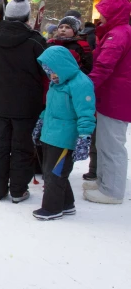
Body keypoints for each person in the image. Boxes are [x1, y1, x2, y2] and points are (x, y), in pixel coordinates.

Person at [0, 0, 46, 203]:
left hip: (0, 101)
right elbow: (46, 70)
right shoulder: (35, 41)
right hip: (27, 104)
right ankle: (18, 190)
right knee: (22, 146)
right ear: (27, 17)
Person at [31, 46, 95, 220]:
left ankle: (52, 208)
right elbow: (50, 107)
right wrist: (41, 121)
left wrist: (84, 136)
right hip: (50, 135)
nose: (51, 76)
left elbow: (86, 113)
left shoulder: (80, 84)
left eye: (54, 71)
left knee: (56, 174)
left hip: (65, 138)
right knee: (51, 171)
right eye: (48, 72)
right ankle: (66, 204)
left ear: (63, 66)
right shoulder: (56, 83)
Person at [83, 0, 131, 205]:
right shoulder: (119, 32)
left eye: (103, 12)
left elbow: (104, 66)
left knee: (111, 145)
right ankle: (103, 181)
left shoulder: (118, 34)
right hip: (112, 97)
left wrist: (85, 87)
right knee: (103, 142)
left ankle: (112, 191)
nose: (100, 16)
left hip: (116, 98)